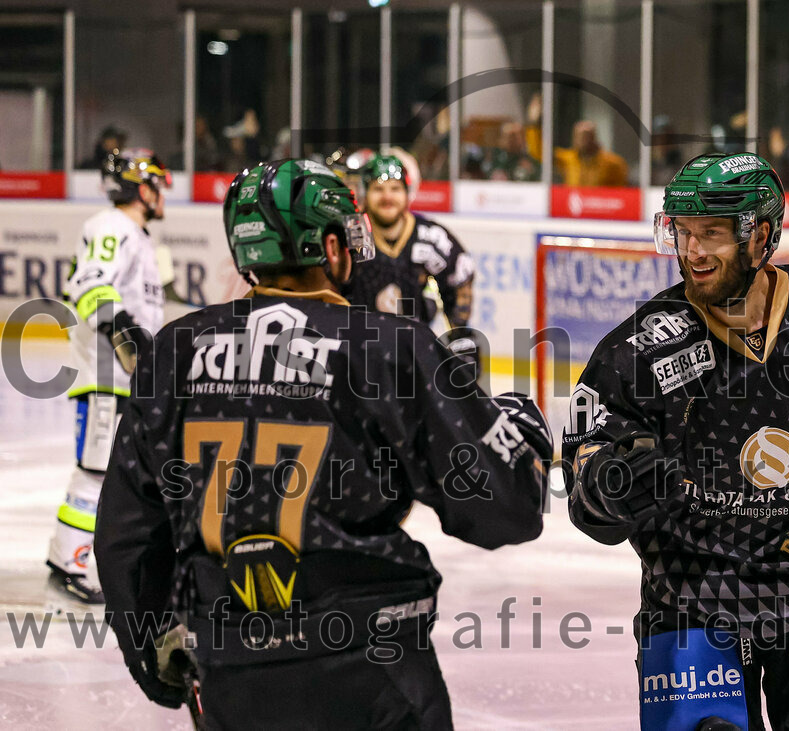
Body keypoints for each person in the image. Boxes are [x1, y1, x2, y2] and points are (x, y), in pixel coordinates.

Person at [94, 159, 551, 729]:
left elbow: (125, 535)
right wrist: (521, 437)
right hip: (369, 666)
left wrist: (151, 654)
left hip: (229, 670)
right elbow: (501, 511)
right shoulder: (391, 349)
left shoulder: (173, 351)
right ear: (332, 249)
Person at [562, 152, 789, 729]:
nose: (692, 252)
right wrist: (610, 488)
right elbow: (587, 482)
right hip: (692, 596)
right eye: (682, 233)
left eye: (712, 234)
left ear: (760, 236)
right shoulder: (637, 353)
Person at [48, 149, 171, 604]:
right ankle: (75, 561)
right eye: (156, 184)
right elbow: (88, 284)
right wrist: (129, 343)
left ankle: (69, 554)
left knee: (111, 470)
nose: (161, 194)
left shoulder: (136, 237)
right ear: (141, 188)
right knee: (96, 471)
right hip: (105, 376)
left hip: (118, 379)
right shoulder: (112, 226)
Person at [347, 153, 481, 370]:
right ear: (365, 192)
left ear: (407, 193)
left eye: (395, 189)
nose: (387, 197)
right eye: (378, 189)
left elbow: (459, 280)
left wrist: (461, 340)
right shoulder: (350, 235)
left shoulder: (431, 236)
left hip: (413, 354)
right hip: (357, 354)